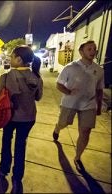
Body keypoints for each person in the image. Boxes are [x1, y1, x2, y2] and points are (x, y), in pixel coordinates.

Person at [0, 45, 43, 194]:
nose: (9, 59)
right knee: (21, 146)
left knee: (6, 141)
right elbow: (38, 97)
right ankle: (17, 177)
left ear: (18, 59)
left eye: (11, 56)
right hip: (28, 118)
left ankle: (4, 170)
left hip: (9, 117)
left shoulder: (6, 77)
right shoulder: (36, 77)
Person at [52, 40, 104, 172]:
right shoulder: (70, 67)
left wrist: (98, 106)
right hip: (70, 103)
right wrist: (69, 92)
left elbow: (99, 89)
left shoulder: (99, 70)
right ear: (81, 52)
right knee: (63, 123)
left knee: (85, 131)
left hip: (89, 104)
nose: (93, 51)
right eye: (89, 49)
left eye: (94, 49)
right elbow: (59, 84)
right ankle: (57, 128)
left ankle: (78, 157)